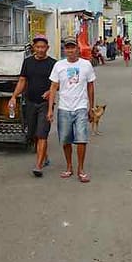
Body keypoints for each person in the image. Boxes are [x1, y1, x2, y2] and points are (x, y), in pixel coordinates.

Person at [47, 38, 96, 183]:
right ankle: (69, 166)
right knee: (66, 140)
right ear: (64, 50)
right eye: (67, 48)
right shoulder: (59, 65)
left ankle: (81, 169)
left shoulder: (86, 65)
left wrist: (91, 108)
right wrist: (50, 109)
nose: (70, 50)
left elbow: (91, 86)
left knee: (81, 139)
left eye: (72, 48)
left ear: (78, 49)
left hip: (80, 106)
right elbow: (53, 87)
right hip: (64, 108)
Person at [9, 35, 56, 177]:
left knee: (42, 134)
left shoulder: (53, 64)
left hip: (45, 104)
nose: (40, 50)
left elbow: (59, 83)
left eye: (43, 47)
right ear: (33, 48)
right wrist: (13, 96)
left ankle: (38, 165)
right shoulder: (27, 62)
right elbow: (22, 80)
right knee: (34, 134)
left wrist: (50, 91)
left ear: (47, 48)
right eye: (38, 47)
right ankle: (44, 156)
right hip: (30, 102)